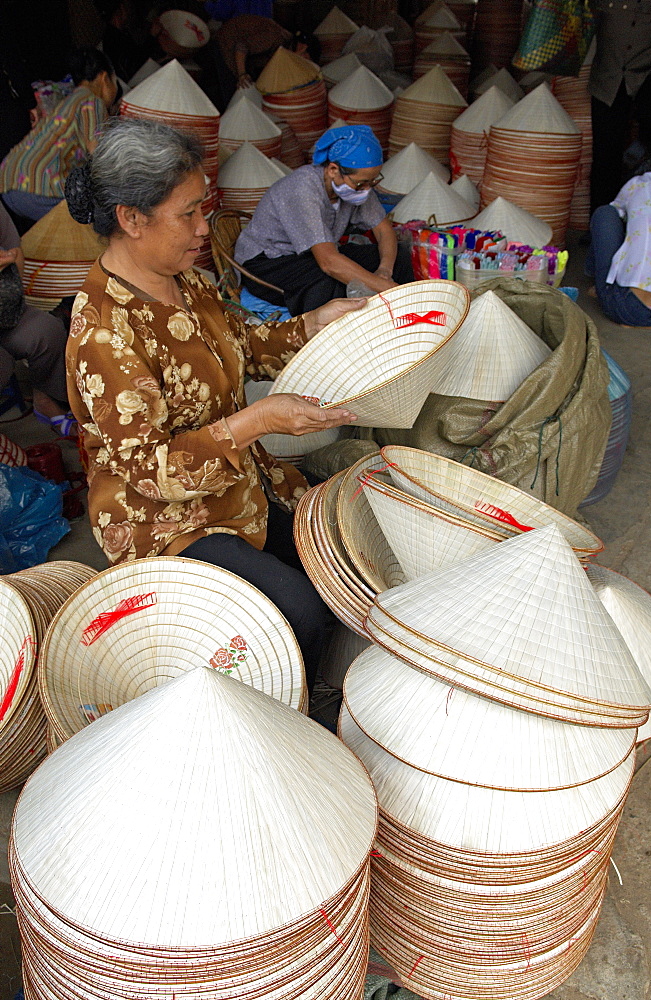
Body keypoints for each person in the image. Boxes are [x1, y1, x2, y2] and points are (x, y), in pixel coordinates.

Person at [64, 117, 365, 689]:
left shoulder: (188, 280)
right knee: (297, 612)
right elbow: (150, 473)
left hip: (238, 484)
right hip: (163, 519)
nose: (205, 228)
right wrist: (255, 421)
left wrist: (313, 325)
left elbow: (244, 344)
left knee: (339, 555)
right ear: (131, 219)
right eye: (189, 214)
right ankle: (279, 714)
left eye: (204, 208)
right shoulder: (104, 333)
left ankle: (302, 684)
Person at [235, 125, 415, 314]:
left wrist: (385, 271)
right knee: (330, 281)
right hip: (268, 262)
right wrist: (387, 288)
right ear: (333, 170)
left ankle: (402, 320)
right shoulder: (302, 189)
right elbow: (328, 262)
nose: (367, 189)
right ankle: (330, 338)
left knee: (399, 256)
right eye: (361, 183)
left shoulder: (357, 184)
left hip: (310, 255)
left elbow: (384, 230)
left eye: (373, 182)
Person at [0, 48, 118, 223]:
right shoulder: (92, 101)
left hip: (9, 182)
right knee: (94, 225)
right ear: (104, 77)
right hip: (40, 185)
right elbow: (101, 156)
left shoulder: (69, 100)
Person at [589, 0, 651, 212]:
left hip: (650, 71)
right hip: (608, 77)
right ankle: (601, 216)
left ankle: (640, 156)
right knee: (605, 154)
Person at [587, 128, 651, 327]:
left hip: (630, 309)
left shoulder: (642, 184)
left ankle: (598, 282)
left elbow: (615, 214)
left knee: (605, 214)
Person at [0, 203, 72, 432]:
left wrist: (9, 267)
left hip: (4, 311)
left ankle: (46, 401)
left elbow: (15, 253)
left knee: (46, 330)